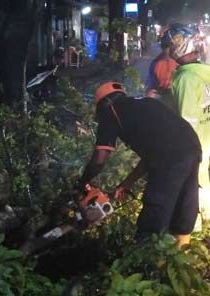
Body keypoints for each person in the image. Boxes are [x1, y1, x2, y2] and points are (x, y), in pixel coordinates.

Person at [78, 82, 202, 247]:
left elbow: (99, 159)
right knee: (185, 201)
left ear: (104, 104)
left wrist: (82, 182)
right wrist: (127, 183)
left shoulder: (111, 111)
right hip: (191, 145)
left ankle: (146, 259)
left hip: (170, 155)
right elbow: (151, 153)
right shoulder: (143, 103)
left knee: (155, 210)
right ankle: (181, 252)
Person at [161, 24, 210, 235]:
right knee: (203, 183)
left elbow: (185, 119)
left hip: (191, 145)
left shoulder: (186, 78)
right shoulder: (199, 73)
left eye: (170, 45)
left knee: (189, 189)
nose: (168, 50)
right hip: (204, 139)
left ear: (180, 46)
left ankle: (192, 231)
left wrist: (179, 151)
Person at [145, 36, 179, 105]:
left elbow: (150, 83)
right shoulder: (175, 63)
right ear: (171, 47)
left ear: (161, 47)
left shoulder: (155, 63)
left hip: (160, 96)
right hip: (171, 95)